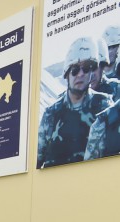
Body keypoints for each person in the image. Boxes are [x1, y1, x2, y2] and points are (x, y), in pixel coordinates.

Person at [37, 36, 110, 168]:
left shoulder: (104, 106)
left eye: (87, 68)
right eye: (75, 69)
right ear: (67, 74)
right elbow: (37, 159)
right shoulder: (51, 114)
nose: (81, 74)